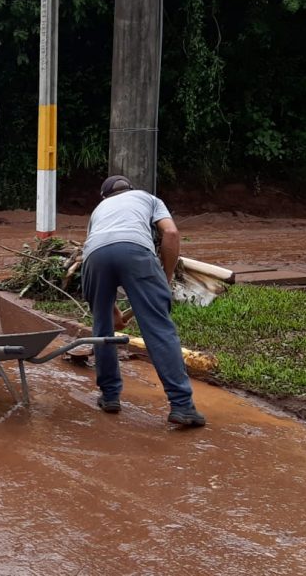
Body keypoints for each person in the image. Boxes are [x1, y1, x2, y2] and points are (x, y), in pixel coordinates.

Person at [81, 175, 206, 427]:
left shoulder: (98, 210)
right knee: (159, 329)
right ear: (130, 189)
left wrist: (112, 312)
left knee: (102, 328)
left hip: (94, 257)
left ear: (105, 196)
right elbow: (171, 233)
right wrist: (165, 277)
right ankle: (182, 406)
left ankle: (110, 396)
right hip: (136, 252)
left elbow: (100, 249)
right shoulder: (148, 198)